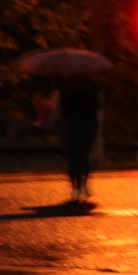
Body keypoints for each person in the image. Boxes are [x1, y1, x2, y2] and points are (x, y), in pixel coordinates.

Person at [53, 72, 102, 204]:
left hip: (70, 121)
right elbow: (96, 105)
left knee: (72, 154)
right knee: (84, 154)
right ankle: (84, 183)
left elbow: (60, 106)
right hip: (88, 121)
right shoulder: (92, 86)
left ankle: (75, 185)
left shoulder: (64, 86)